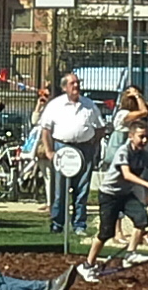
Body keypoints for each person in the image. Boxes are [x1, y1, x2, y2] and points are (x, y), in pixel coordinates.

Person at [82, 110, 148, 274]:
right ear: (131, 136)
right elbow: (127, 174)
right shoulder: (123, 152)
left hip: (125, 194)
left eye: (146, 137)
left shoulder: (143, 154)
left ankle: (130, 254)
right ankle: (88, 265)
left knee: (141, 219)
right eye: (141, 137)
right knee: (105, 233)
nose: (144, 140)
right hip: (109, 194)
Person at [34, 72, 105, 236]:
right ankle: (57, 223)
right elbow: (46, 129)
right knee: (60, 190)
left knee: (82, 189)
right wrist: (49, 150)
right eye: (72, 83)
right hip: (62, 148)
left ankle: (79, 224)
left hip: (85, 149)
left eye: (78, 82)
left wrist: (93, 142)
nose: (76, 86)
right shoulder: (55, 105)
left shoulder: (89, 104)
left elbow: (101, 127)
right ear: (65, 87)